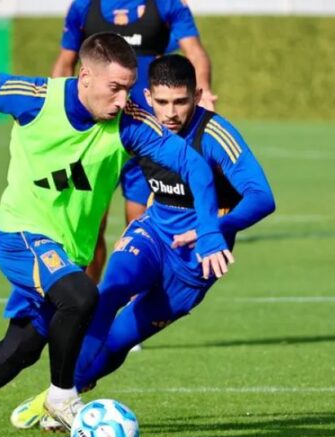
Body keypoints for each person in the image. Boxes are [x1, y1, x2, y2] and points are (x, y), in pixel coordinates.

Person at [0, 33, 233, 437]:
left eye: (129, 88)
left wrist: (210, 229)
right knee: (83, 296)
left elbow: (194, 165)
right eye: (115, 88)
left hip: (67, 253)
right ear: (85, 76)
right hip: (20, 235)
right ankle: (62, 397)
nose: (123, 99)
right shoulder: (35, 99)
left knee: (22, 348)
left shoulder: (130, 122)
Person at [9, 54, 274, 431]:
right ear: (148, 97)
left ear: (197, 96)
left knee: (119, 341)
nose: (171, 112)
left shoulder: (216, 134)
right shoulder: (136, 122)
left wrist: (214, 228)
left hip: (196, 263)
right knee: (108, 293)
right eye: (162, 102)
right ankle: (61, 394)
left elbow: (262, 196)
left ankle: (62, 395)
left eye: (181, 101)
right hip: (152, 232)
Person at [52, 0, 218, 283]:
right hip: (98, 135)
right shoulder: (83, 6)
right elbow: (65, 64)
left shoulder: (166, 5)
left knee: (141, 230)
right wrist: (58, 113)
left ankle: (133, 302)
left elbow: (196, 54)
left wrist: (204, 91)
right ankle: (88, 301)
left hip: (145, 135)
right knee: (91, 228)